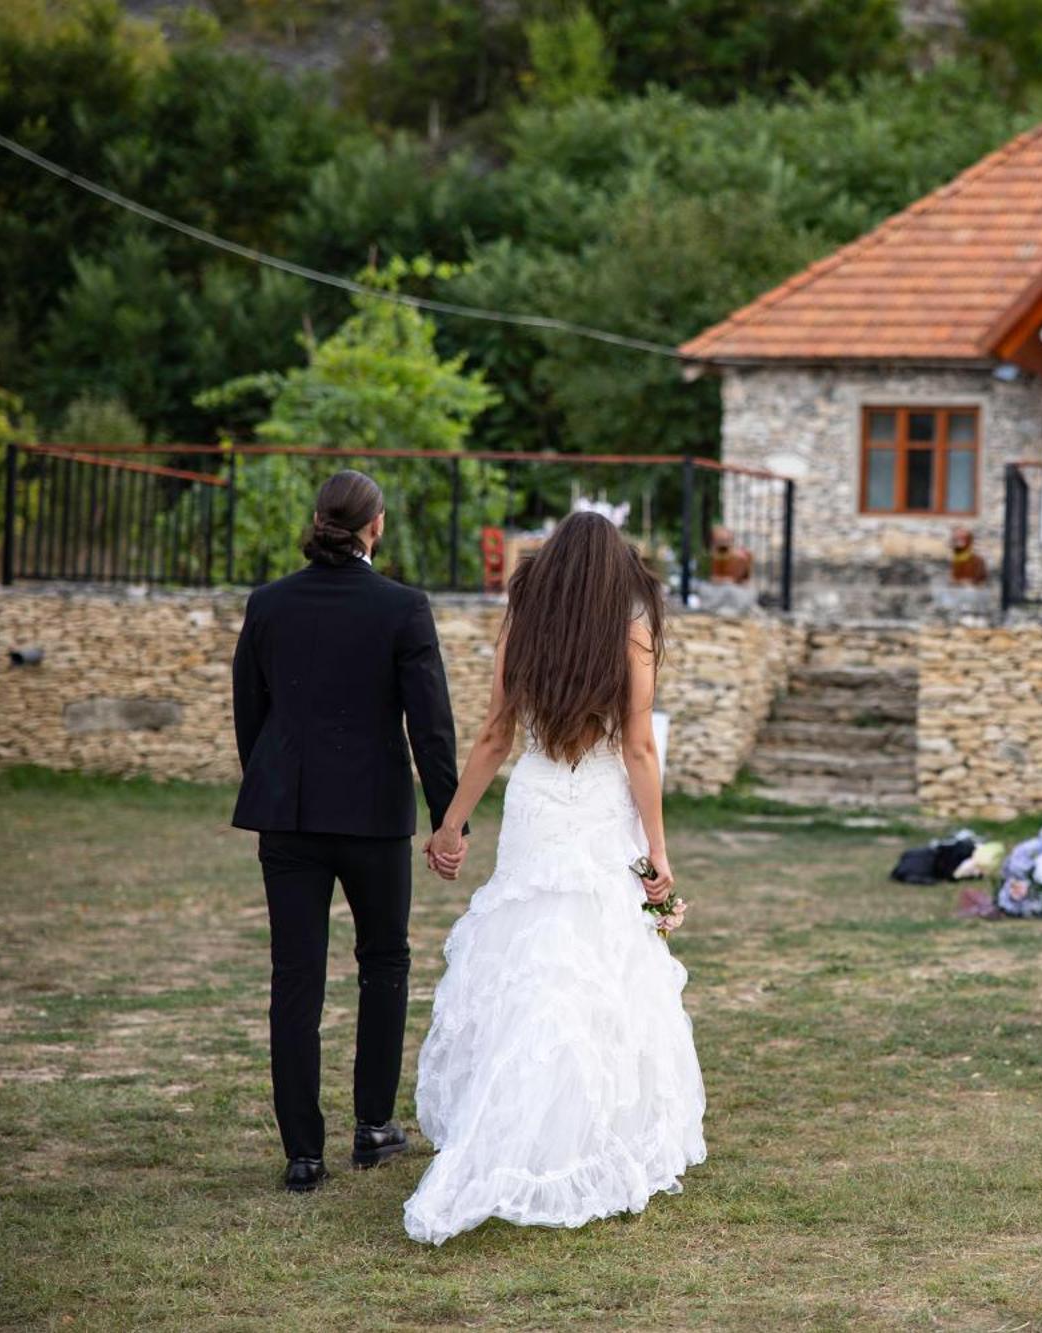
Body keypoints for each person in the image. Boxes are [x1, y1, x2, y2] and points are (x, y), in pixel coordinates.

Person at [403, 510, 704, 1246]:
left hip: (538, 799)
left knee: (533, 957)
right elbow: (638, 746)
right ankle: (587, 1129)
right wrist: (657, 851)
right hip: (600, 803)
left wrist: (449, 824)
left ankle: (517, 1118)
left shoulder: (524, 620)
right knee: (597, 960)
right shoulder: (633, 625)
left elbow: (495, 733)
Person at [231, 469, 460, 1193]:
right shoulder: (402, 607)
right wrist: (446, 819)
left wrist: (271, 784)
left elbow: (251, 712)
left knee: (294, 978)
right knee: (384, 962)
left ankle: (303, 1153)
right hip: (374, 816)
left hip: (290, 815)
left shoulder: (269, 603)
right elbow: (430, 722)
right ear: (375, 526)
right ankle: (372, 1127)